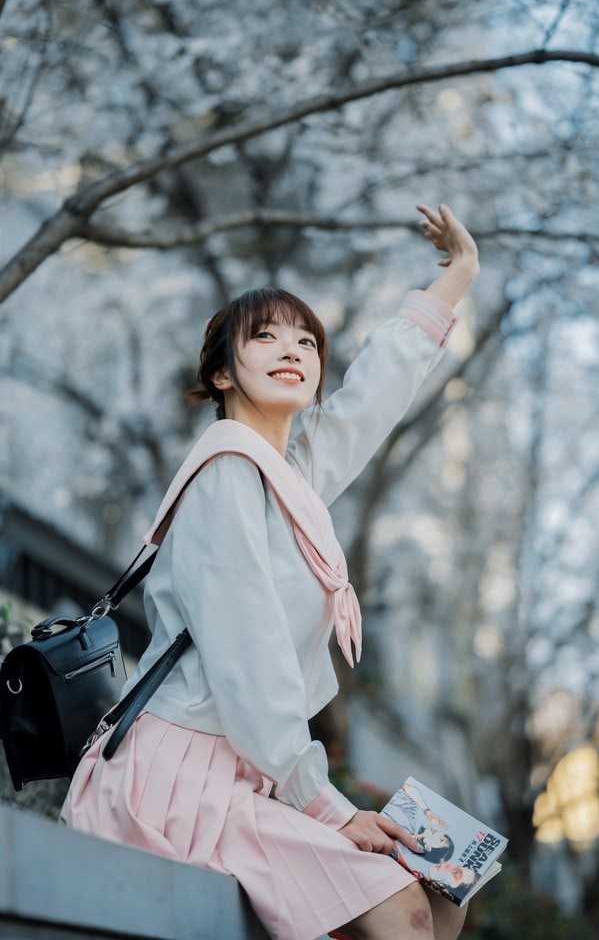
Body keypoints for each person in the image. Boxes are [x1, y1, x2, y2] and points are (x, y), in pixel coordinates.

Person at [61, 203, 479, 940]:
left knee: (447, 896)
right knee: (406, 906)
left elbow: (371, 400)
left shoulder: (287, 472)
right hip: (176, 779)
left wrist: (455, 280)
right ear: (222, 371)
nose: (293, 349)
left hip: (245, 775)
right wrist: (327, 804)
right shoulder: (227, 473)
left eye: (306, 341)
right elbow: (249, 658)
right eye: (265, 337)